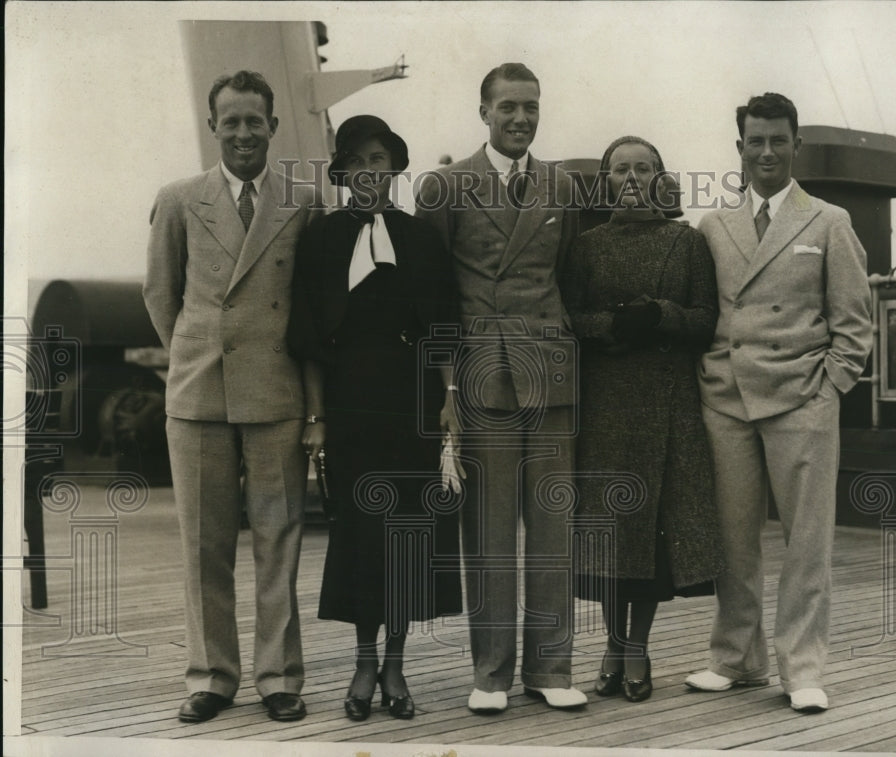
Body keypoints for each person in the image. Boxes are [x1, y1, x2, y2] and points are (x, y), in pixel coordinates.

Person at [685, 92, 873, 713]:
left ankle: (802, 668)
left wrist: (830, 388)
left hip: (802, 401)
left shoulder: (828, 221)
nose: (766, 151)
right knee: (734, 539)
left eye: (778, 140)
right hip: (727, 399)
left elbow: (854, 322)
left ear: (797, 146)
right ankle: (736, 658)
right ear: (739, 148)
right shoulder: (713, 225)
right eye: (755, 141)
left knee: (807, 541)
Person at [143, 70, 320, 723]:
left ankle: (278, 675)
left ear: (273, 127)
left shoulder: (304, 201)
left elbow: (309, 302)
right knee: (203, 543)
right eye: (232, 121)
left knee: (281, 538)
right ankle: (212, 675)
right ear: (212, 126)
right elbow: (161, 298)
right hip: (199, 395)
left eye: (255, 120)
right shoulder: (179, 199)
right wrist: (200, 352)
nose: (244, 132)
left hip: (275, 392)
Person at [414, 62, 586, 712]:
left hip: (549, 372)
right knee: (486, 533)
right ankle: (490, 673)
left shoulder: (563, 185)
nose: (521, 118)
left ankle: (553, 667)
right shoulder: (444, 186)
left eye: (531, 107)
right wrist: (446, 387)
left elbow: (566, 272)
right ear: (483, 111)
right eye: (508, 106)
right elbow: (432, 297)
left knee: (552, 527)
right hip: (481, 373)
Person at [288, 115, 464, 722]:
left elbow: (444, 325)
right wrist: (317, 416)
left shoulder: (420, 239)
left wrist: (449, 397)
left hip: (413, 403)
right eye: (358, 161)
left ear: (393, 168)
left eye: (379, 160)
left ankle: (396, 665)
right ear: (343, 171)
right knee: (364, 537)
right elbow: (309, 338)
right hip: (351, 404)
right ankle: (364, 662)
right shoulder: (321, 239)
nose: (370, 172)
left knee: (407, 536)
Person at [564, 136, 724, 703]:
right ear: (605, 180)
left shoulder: (687, 243)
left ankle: (636, 648)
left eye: (644, 169)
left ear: (661, 178)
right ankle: (611, 643)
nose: (631, 178)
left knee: (652, 532)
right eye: (620, 169)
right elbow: (569, 317)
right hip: (606, 404)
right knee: (612, 531)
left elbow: (706, 319)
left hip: (667, 406)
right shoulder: (585, 246)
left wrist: (660, 315)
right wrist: (610, 324)